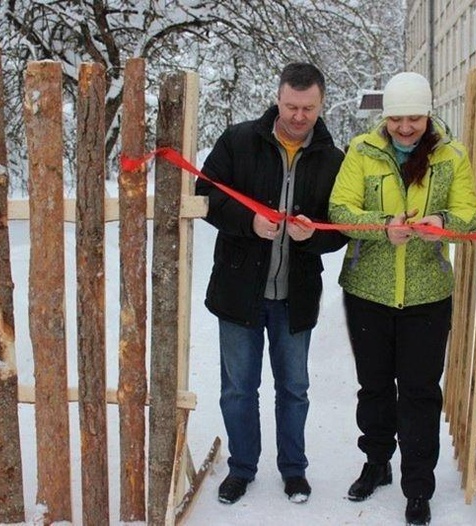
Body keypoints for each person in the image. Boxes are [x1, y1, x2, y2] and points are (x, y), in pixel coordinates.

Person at [328, 72, 476, 525]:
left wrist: (440, 219)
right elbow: (341, 211)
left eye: (414, 117)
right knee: (374, 386)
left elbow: (470, 216)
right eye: (397, 118)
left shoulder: (450, 155)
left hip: (427, 295)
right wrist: (382, 226)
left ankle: (418, 486)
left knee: (418, 392)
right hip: (367, 292)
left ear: (428, 113)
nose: (405, 127)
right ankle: (376, 464)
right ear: (386, 116)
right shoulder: (361, 151)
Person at [195, 62, 347, 505]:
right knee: (239, 388)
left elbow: (342, 228)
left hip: (294, 296)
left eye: (308, 108)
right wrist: (248, 222)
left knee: (294, 389)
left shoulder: (334, 160)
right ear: (277, 98)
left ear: (321, 104)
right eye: (291, 106)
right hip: (239, 290)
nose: (299, 116)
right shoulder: (239, 141)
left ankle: (293, 470)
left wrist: (313, 235)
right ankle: (242, 468)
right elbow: (205, 194)